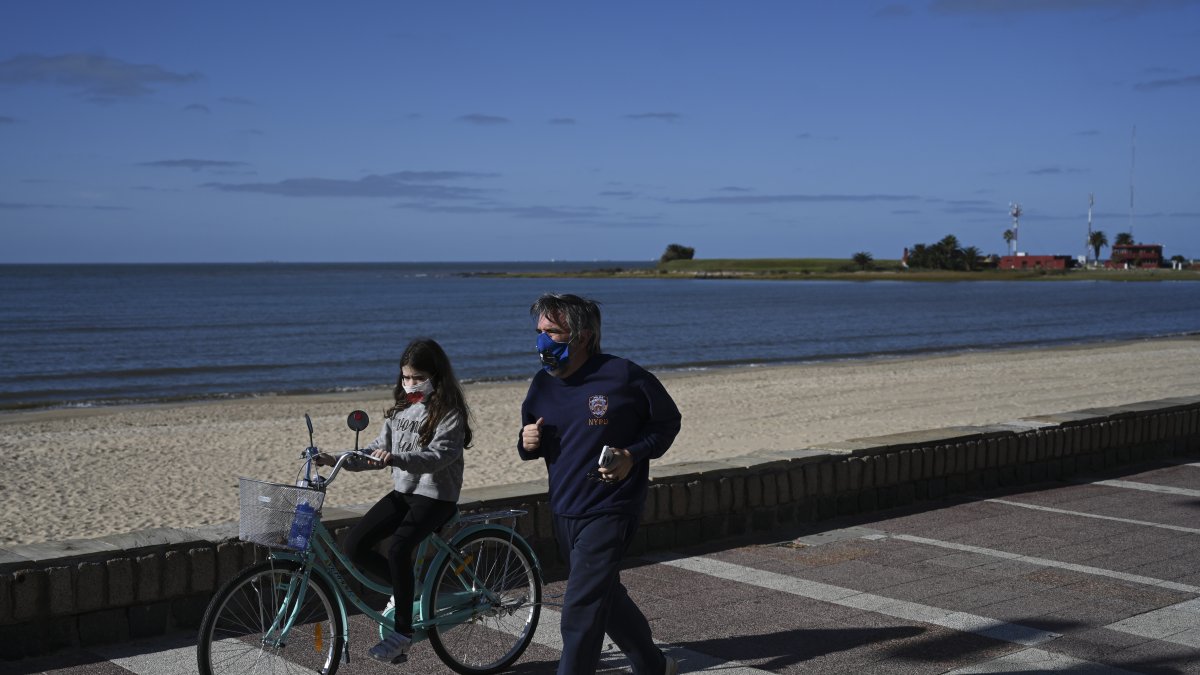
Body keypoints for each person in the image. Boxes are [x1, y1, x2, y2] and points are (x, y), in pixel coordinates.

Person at [518, 293, 682, 675]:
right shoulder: (541, 384)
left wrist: (632, 454)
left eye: (553, 332)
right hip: (564, 508)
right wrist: (526, 442)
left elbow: (666, 422)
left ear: (584, 336)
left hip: (612, 506)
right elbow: (532, 440)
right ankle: (653, 665)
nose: (542, 340)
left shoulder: (623, 375)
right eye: (540, 331)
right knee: (603, 594)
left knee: (580, 606)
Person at [316, 337, 470, 664]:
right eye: (405, 377)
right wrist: (338, 459)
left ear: (436, 376)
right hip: (404, 493)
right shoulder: (401, 409)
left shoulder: (449, 414)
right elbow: (376, 449)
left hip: (437, 497)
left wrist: (397, 459)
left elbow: (437, 457)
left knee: (399, 547)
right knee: (354, 546)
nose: (410, 384)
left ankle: (402, 635)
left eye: (417, 378)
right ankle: (405, 591)